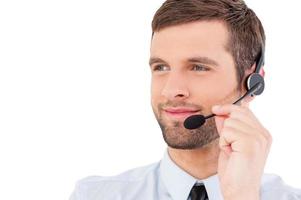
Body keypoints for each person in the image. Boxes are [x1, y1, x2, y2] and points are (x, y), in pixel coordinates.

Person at [70, 0, 301, 199]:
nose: (171, 90)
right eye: (161, 67)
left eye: (198, 67)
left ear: (252, 83)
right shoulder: (93, 196)